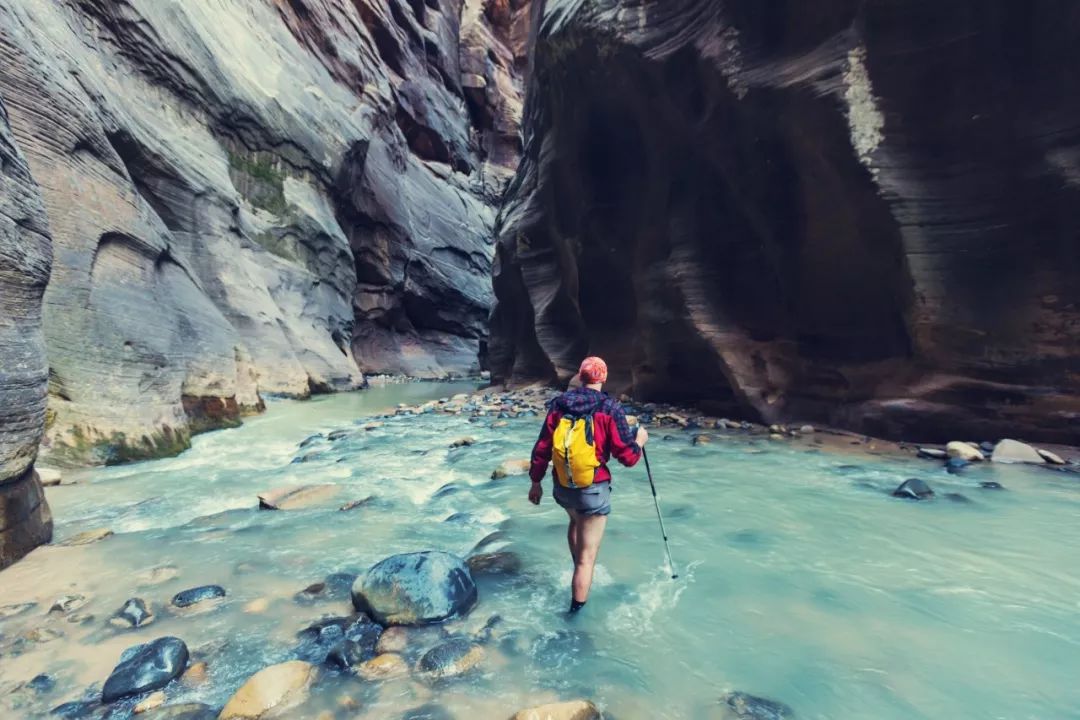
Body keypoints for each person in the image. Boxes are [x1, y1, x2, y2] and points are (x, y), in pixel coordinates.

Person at [528, 356, 649, 613]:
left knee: (575, 520)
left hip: (563, 487)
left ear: (581, 377)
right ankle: (576, 613)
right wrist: (639, 441)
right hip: (592, 489)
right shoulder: (609, 408)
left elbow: (542, 447)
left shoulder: (559, 404)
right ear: (603, 378)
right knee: (587, 560)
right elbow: (627, 457)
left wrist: (535, 482)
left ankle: (576, 569)